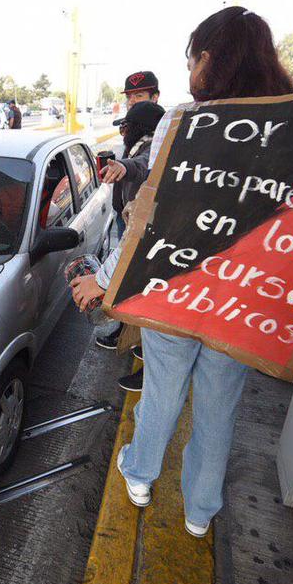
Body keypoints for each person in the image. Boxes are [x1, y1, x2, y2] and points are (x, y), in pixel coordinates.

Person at [69, 7, 293, 538]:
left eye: (192, 57)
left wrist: (106, 279)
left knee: (163, 391)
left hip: (176, 293)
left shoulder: (186, 122)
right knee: (221, 407)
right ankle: (200, 509)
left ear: (210, 58)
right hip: (247, 301)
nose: (190, 70)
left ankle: (142, 474)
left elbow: (150, 218)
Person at [94, 99, 166, 386]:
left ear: (139, 128)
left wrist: (123, 166)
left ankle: (150, 367)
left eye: (125, 126)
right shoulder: (139, 144)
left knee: (143, 298)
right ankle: (127, 336)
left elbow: (142, 166)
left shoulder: (154, 148)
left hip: (148, 232)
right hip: (131, 222)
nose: (122, 132)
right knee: (132, 293)